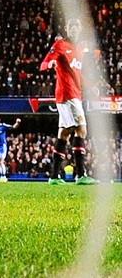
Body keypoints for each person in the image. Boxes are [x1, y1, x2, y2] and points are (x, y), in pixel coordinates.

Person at [41, 26, 94, 185]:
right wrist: (49, 64)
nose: (75, 29)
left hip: (75, 93)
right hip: (67, 93)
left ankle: (54, 177)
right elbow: (44, 63)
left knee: (64, 134)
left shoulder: (78, 49)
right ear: (67, 29)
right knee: (81, 129)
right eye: (71, 26)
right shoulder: (60, 45)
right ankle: (81, 175)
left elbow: (77, 74)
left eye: (77, 27)